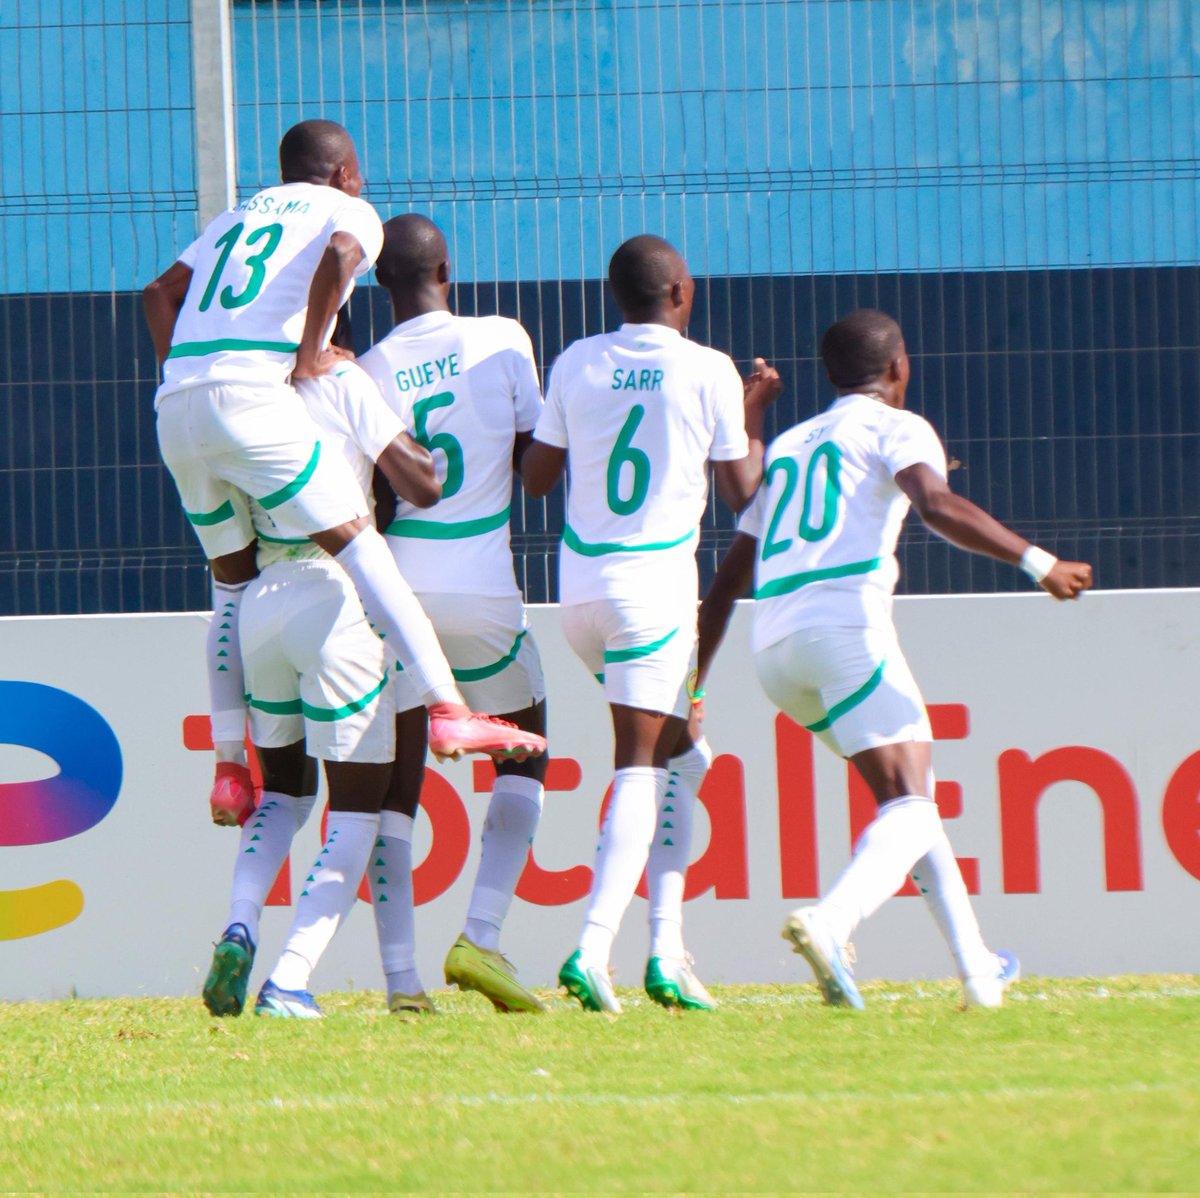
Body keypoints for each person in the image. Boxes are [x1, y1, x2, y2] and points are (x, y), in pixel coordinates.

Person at [143, 120, 544, 828]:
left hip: (176, 406)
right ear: (345, 173)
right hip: (250, 398)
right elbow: (340, 253)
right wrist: (309, 353)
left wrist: (183, 376)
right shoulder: (350, 211)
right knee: (363, 548)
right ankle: (449, 708)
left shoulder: (235, 216)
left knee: (230, 584)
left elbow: (158, 293)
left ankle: (230, 766)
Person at [696, 309, 1093, 1009]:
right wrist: (1041, 562)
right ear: (898, 368)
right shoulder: (896, 426)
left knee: (908, 804)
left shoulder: (789, 446)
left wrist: (691, 681)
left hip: (774, 650)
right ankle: (831, 921)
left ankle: (977, 970)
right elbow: (936, 504)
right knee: (910, 802)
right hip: (843, 629)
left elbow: (731, 574)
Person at [521, 234, 781, 1013]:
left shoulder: (575, 361)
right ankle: (594, 948)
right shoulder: (707, 369)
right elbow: (746, 494)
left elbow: (535, 479)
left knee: (686, 760)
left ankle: (666, 952)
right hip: (653, 597)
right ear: (681, 292)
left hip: (579, 598)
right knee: (641, 765)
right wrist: (751, 410)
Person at [202, 355, 444, 1018]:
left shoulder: (242, 397)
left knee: (281, 796)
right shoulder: (345, 382)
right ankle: (289, 979)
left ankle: (240, 926)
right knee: (360, 814)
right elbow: (420, 480)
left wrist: (227, 749)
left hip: (261, 602)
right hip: (338, 597)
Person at [357, 214, 549, 1014]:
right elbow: (534, 460)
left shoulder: (362, 370)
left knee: (396, 788)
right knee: (526, 756)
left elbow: (370, 498)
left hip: (396, 594)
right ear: (449, 269)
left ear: (378, 283)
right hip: (484, 592)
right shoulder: (504, 336)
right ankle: (482, 935)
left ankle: (403, 985)